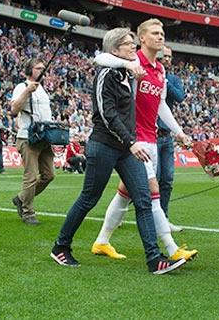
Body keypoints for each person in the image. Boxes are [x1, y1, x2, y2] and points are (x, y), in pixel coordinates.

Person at [51, 28, 186, 274]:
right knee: (89, 198)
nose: (133, 47)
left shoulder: (127, 71)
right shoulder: (107, 75)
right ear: (115, 49)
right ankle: (61, 246)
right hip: (105, 145)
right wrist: (131, 141)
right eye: (128, 44)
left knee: (143, 200)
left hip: (126, 148)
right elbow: (107, 114)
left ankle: (154, 259)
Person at [90, 19, 198, 262]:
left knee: (124, 194)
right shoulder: (132, 61)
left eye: (162, 33)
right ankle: (171, 248)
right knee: (152, 191)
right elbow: (99, 60)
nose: (161, 37)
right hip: (134, 139)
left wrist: (179, 131)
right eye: (155, 33)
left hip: (151, 137)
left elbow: (160, 105)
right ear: (142, 38)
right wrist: (126, 65)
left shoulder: (160, 69)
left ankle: (101, 241)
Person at [10, 58, 55, 225]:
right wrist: (27, 91)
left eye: (43, 68)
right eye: (38, 68)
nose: (42, 71)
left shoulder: (43, 89)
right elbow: (14, 110)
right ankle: (28, 212)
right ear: (29, 71)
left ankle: (21, 198)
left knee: (49, 175)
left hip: (45, 137)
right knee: (30, 176)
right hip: (27, 137)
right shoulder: (21, 87)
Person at [157, 45, 186, 232]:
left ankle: (164, 218)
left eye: (169, 56)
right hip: (151, 134)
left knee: (167, 179)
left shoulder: (172, 79)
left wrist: (164, 79)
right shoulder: (149, 74)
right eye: (164, 56)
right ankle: (120, 208)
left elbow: (180, 97)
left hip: (167, 136)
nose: (166, 59)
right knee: (153, 178)